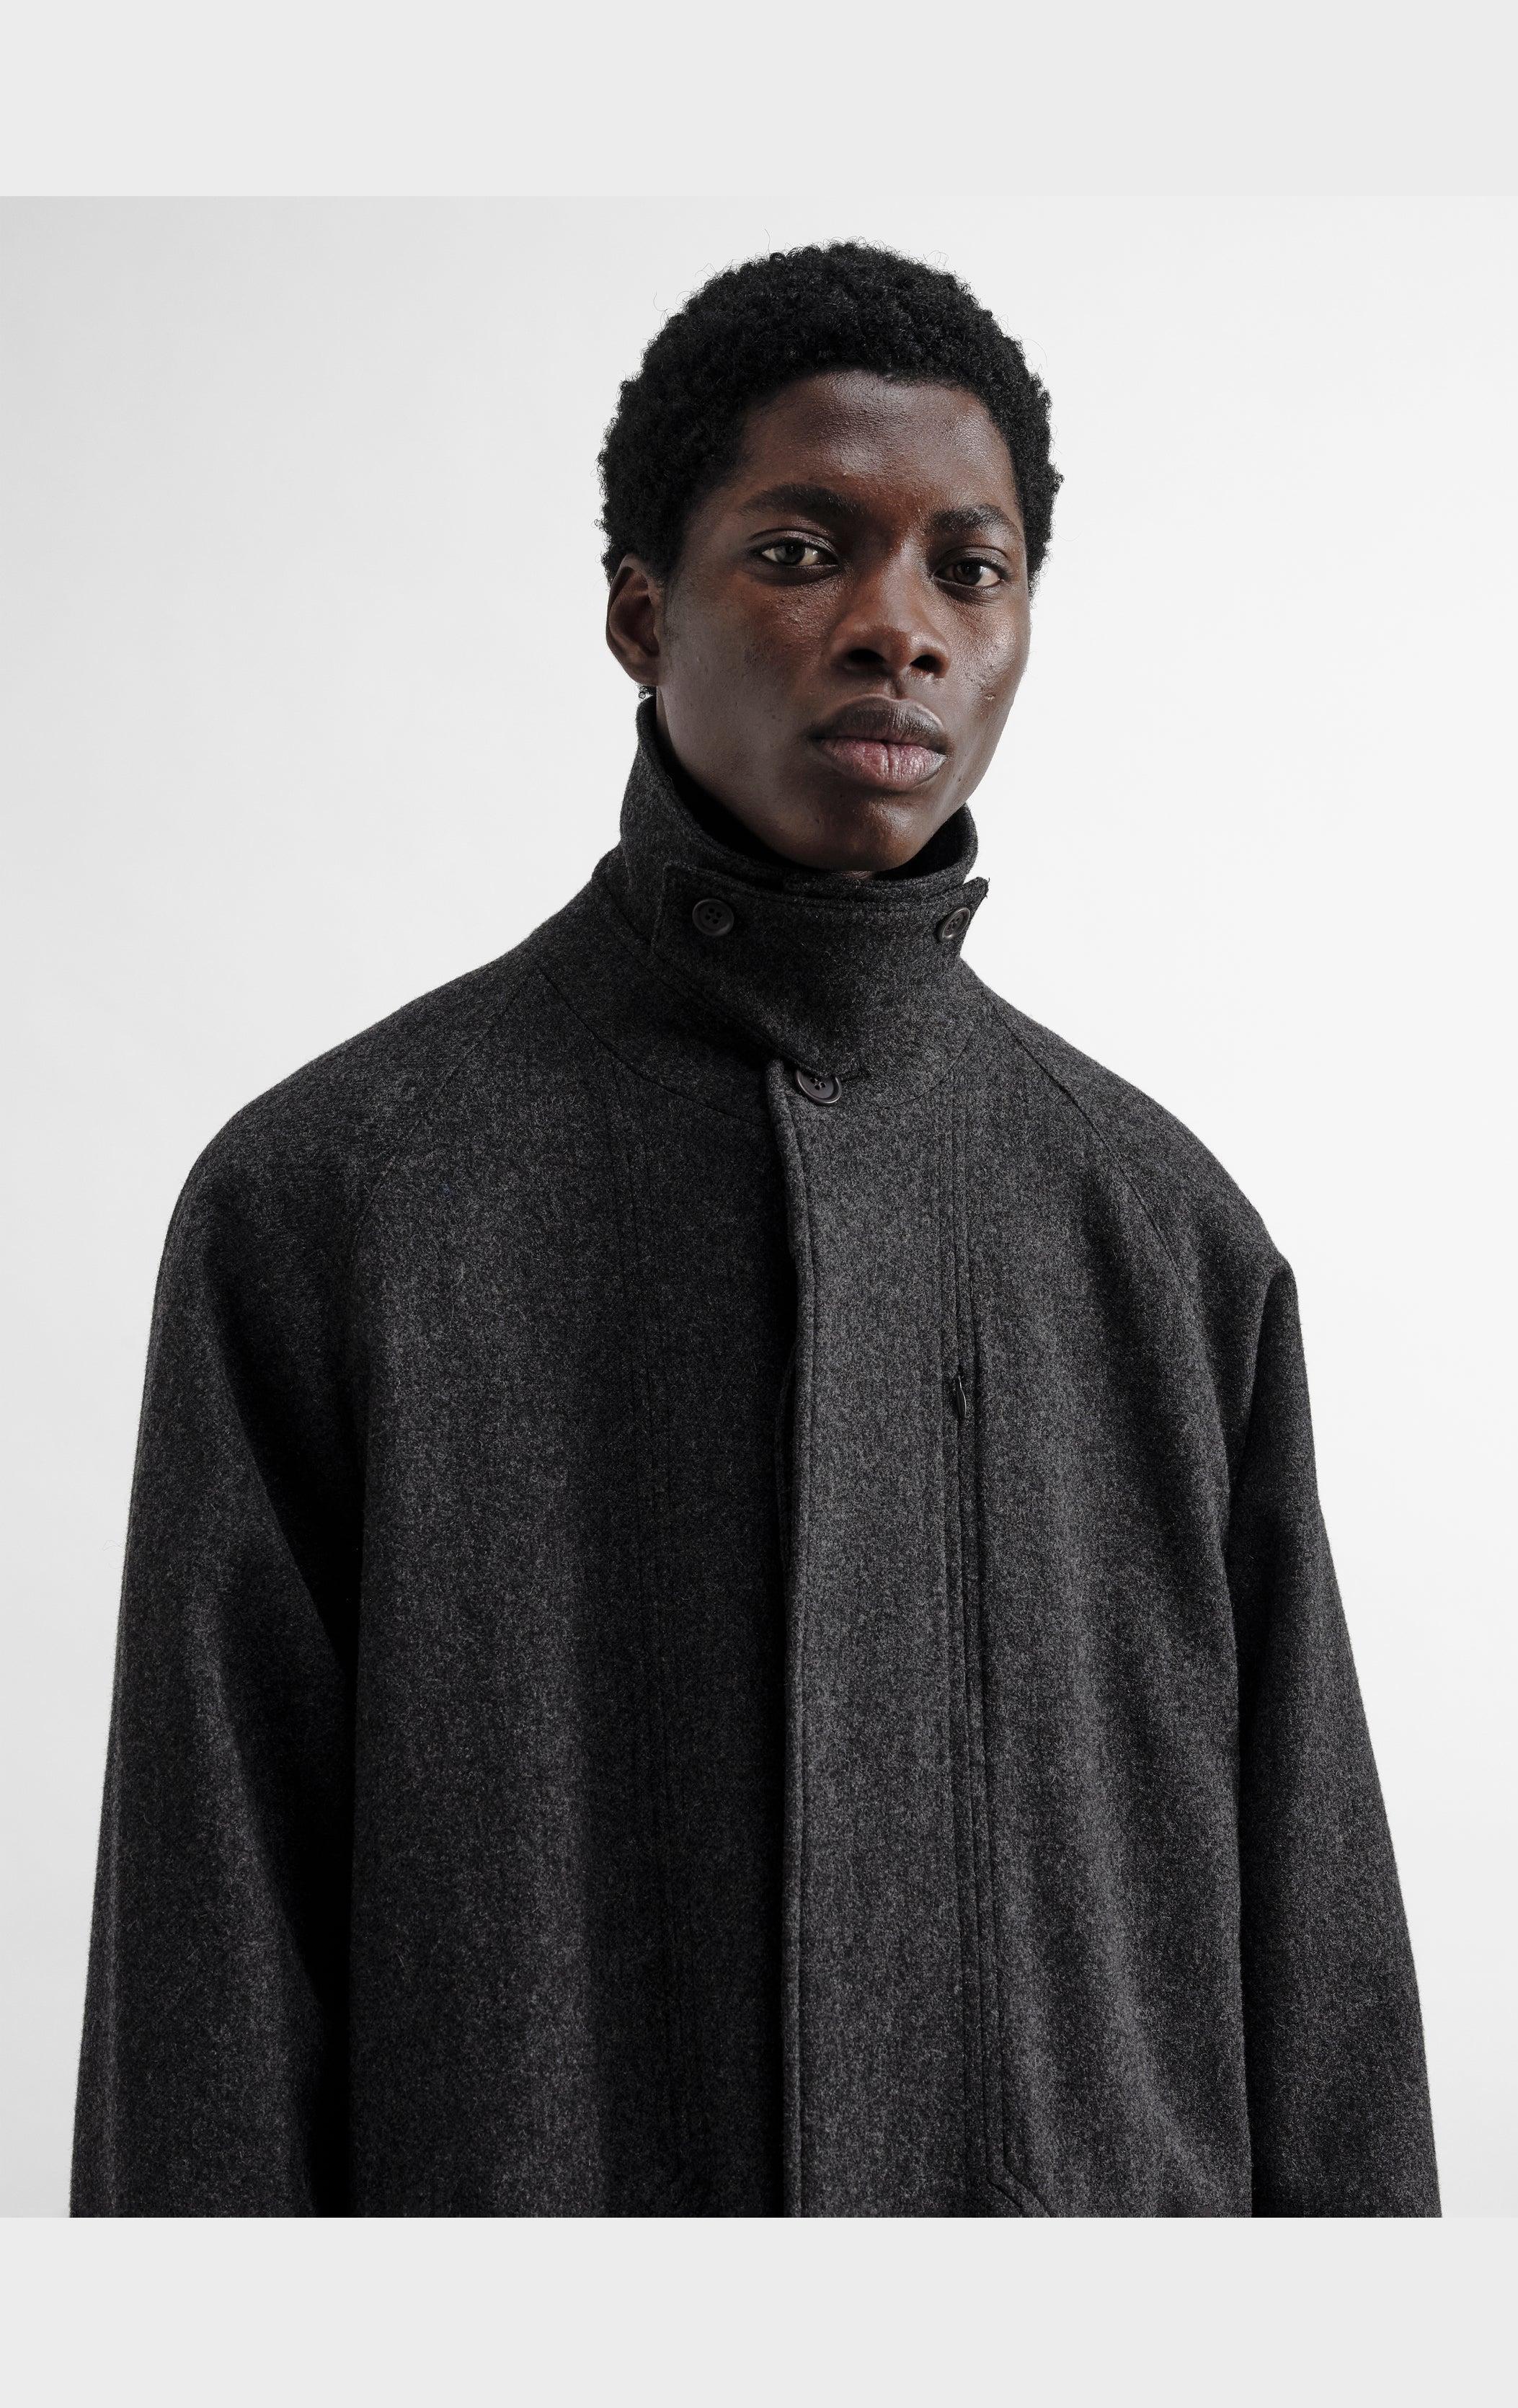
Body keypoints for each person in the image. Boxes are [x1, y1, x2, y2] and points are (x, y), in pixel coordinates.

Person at [72, 241, 1438, 2218]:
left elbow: (1322, 1993)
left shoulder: (1163, 1239)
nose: (898, 630)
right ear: (642, 613)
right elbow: (204, 1973)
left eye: (968, 568)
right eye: (801, 553)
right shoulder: (328, 1204)